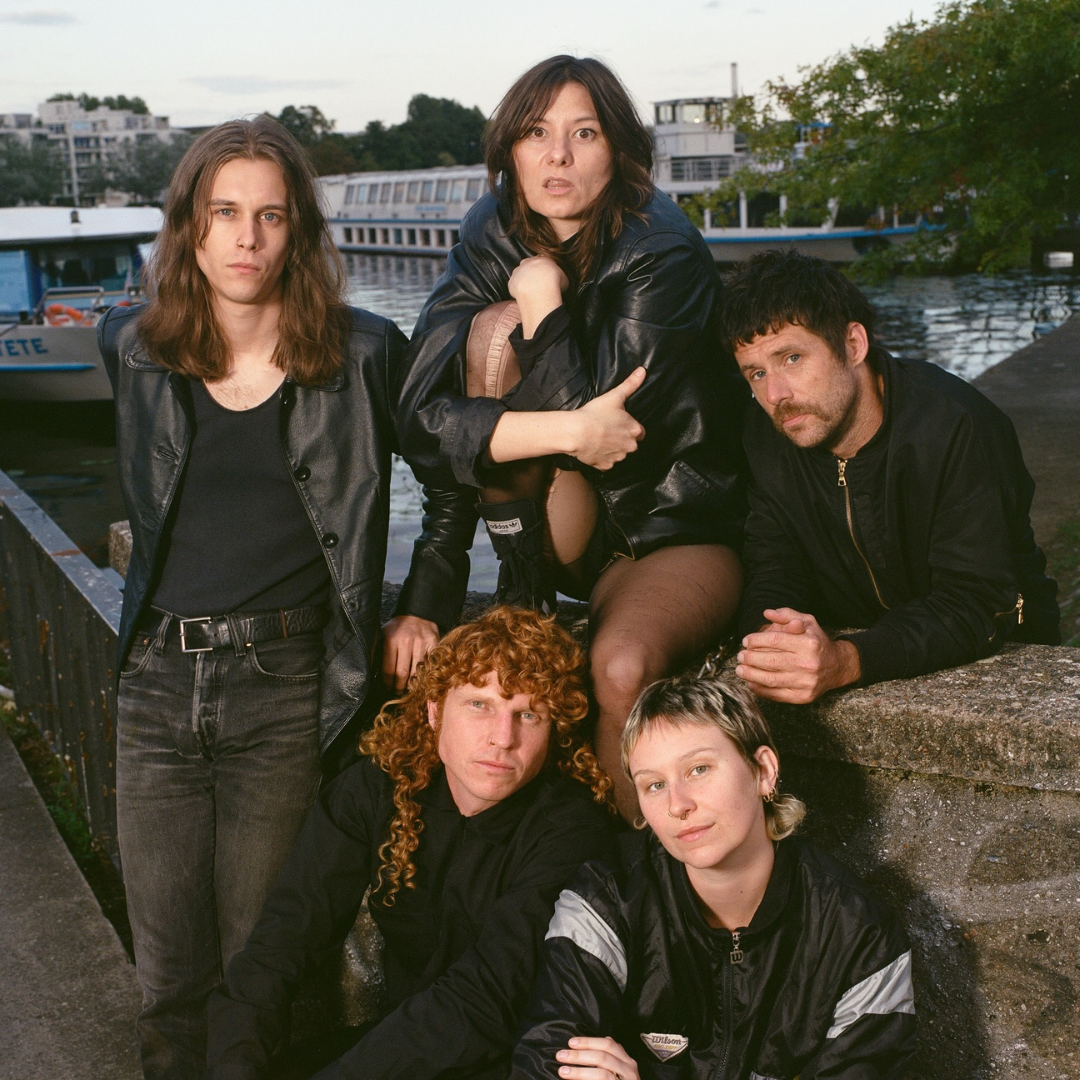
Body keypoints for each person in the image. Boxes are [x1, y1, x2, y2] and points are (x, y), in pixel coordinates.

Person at [97, 117, 409, 1079]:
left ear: (298, 231)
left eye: (270, 216)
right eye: (225, 212)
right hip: (155, 684)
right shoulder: (135, 346)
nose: (246, 237)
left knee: (258, 973)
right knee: (167, 981)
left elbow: (455, 476)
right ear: (189, 226)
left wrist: (428, 600)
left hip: (281, 688)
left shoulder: (361, 356)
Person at [387, 56, 747, 815]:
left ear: (616, 150)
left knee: (616, 668)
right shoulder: (494, 226)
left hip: (670, 524)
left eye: (584, 134)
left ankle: (637, 883)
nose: (557, 157)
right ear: (509, 152)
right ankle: (523, 601)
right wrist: (430, 589)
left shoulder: (663, 250)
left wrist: (545, 304)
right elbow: (420, 414)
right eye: (536, 134)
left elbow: (611, 434)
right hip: (564, 520)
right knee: (485, 335)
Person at [205, 607, 617, 1080]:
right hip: (402, 1051)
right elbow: (281, 943)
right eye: (479, 704)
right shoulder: (377, 789)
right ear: (435, 709)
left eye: (528, 714)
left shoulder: (570, 830)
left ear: (554, 732)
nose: (503, 738)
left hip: (517, 1062)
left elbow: (484, 1001)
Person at [512, 674, 917, 1080]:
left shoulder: (859, 936)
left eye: (699, 768)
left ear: (763, 771)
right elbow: (545, 1056)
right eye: (654, 784)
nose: (678, 805)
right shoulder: (608, 897)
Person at [722, 250, 1059, 704]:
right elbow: (774, 563)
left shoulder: (955, 424)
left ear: (854, 345)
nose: (776, 395)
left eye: (793, 358)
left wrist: (845, 660)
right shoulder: (766, 437)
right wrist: (777, 637)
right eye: (757, 373)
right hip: (863, 640)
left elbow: (977, 600)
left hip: (1002, 653)